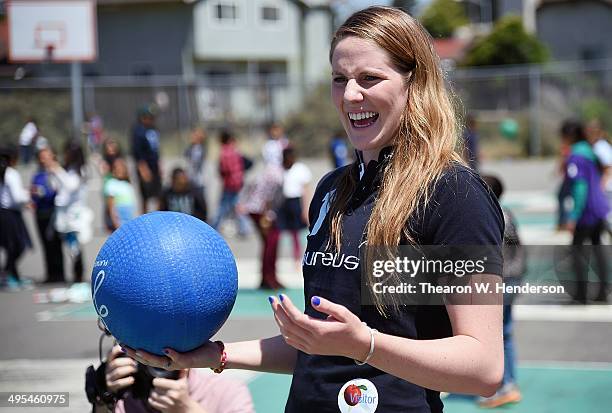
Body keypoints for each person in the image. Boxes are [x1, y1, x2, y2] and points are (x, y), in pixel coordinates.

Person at [126, 7, 504, 413]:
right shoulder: (332, 191)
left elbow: (482, 367)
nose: (351, 95)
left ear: (415, 84)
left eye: (370, 78)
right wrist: (213, 355)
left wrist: (366, 345)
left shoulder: (452, 194)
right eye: (339, 80)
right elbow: (318, 349)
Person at [479, 175, 526, 408]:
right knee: (504, 333)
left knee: (496, 334)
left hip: (502, 280)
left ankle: (503, 385)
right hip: (513, 277)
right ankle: (508, 383)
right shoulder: (506, 212)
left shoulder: (490, 216)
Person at [94, 345, 254, 413]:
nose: (161, 366)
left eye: (169, 355)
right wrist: (103, 394)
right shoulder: (126, 394)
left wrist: (187, 409)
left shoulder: (227, 392)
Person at [562, 122, 610, 303]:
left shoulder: (576, 157)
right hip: (599, 207)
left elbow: (580, 187)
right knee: (598, 250)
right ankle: (603, 292)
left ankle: (581, 294)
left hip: (586, 211)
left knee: (578, 253)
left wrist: (573, 215)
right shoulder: (590, 151)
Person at [238, 162, 284, 289]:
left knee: (269, 243)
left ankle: (269, 277)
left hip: (256, 209)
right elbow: (267, 196)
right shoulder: (277, 174)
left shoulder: (271, 170)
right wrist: (267, 216)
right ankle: (268, 278)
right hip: (260, 211)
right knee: (271, 242)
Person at [51, 141, 92, 284]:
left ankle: (79, 276)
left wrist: (57, 170)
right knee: (71, 248)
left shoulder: (80, 170)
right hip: (65, 214)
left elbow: (71, 185)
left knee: (76, 247)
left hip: (76, 215)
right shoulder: (68, 170)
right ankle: (76, 276)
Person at [31, 147, 65, 283]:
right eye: (42, 157)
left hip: (53, 213)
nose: (44, 159)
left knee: (56, 244)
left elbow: (59, 191)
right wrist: (33, 196)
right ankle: (50, 274)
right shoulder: (38, 175)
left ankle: (59, 274)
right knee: (45, 244)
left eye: (47, 156)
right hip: (40, 214)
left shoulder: (57, 173)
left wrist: (45, 192)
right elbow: (33, 192)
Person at [0, 145, 32, 287]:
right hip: (11, 214)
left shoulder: (3, 172)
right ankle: (7, 274)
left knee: (10, 247)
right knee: (18, 246)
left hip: (4, 213)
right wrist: (29, 195)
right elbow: (18, 197)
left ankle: (13, 275)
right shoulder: (11, 173)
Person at [276, 147, 312, 267]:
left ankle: (300, 257)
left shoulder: (300, 169)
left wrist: (306, 208)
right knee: (282, 232)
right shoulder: (280, 170)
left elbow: (306, 190)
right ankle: (282, 258)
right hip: (283, 202)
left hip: (296, 202)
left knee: (299, 232)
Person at [212, 130, 248, 236]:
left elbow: (224, 169)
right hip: (237, 182)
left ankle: (214, 226)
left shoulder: (224, 152)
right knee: (235, 205)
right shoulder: (235, 151)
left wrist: (222, 174)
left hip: (229, 184)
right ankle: (243, 227)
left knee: (223, 206)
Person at [131, 106, 162, 214]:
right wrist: (143, 169)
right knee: (145, 195)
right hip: (145, 166)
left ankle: (159, 216)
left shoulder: (154, 129)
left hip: (154, 165)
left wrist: (159, 165)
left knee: (158, 193)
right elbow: (137, 152)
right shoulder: (138, 131)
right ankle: (144, 217)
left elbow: (156, 150)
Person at [104, 158, 137, 231]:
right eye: (116, 168)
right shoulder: (111, 184)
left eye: (121, 168)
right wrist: (115, 221)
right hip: (118, 218)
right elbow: (110, 205)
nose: (119, 170)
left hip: (129, 217)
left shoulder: (128, 184)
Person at [557, 120, 578, 230]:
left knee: (564, 197)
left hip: (570, 179)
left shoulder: (572, 148)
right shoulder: (571, 146)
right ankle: (563, 221)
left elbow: (564, 160)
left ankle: (563, 222)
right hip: (569, 178)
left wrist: (559, 169)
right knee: (564, 197)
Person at [184, 126, 208, 199]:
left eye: (196, 134)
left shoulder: (200, 148)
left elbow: (196, 163)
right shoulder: (191, 148)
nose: (193, 136)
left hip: (198, 181)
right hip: (190, 180)